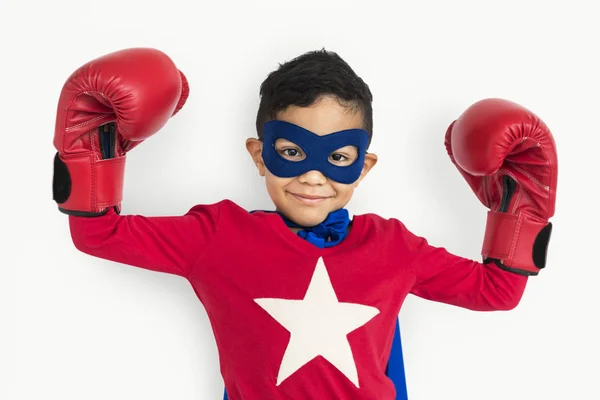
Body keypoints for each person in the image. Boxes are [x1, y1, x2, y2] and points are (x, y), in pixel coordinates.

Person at [52, 48, 557, 400]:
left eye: (337, 157)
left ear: (364, 166)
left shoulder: (393, 247)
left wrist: (520, 207)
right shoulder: (219, 236)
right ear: (259, 154)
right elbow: (98, 232)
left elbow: (497, 292)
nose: (313, 176)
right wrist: (94, 147)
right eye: (291, 152)